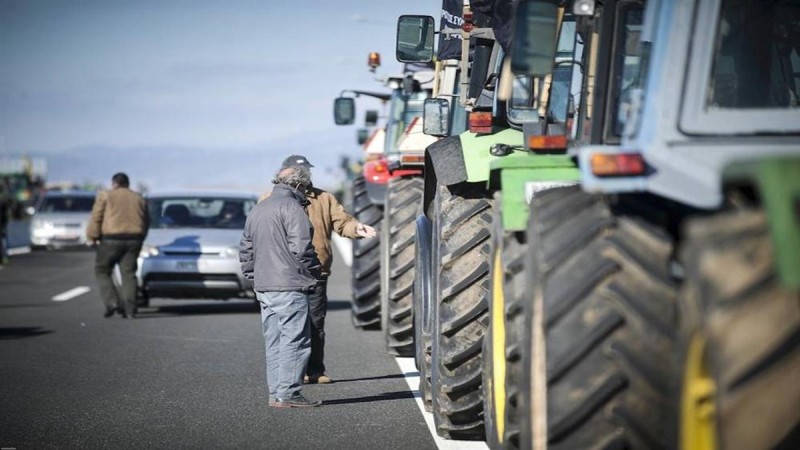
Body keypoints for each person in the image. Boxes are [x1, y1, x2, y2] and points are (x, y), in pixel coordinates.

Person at [260, 155, 376, 385]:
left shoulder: (325, 198)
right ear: (286, 173)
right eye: (300, 171)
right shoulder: (267, 199)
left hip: (316, 272)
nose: (306, 175)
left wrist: (357, 228)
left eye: (306, 171)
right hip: (283, 274)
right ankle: (290, 374)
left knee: (315, 324)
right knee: (285, 326)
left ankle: (315, 370)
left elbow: (342, 222)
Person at [241, 165, 323, 408]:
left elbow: (246, 249)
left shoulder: (259, 208)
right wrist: (315, 271)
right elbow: (302, 249)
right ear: (299, 185)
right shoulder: (292, 207)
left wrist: (254, 277)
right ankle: (289, 394)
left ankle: (276, 393)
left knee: (274, 341)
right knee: (295, 340)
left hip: (265, 286)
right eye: (306, 188)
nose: (307, 192)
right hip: (289, 285)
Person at [86, 173, 149, 318]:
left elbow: (97, 217)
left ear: (114, 183)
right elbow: (146, 220)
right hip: (134, 239)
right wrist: (141, 236)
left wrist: (92, 236)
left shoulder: (106, 196)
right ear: (128, 184)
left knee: (102, 270)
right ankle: (130, 308)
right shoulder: (139, 197)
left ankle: (112, 302)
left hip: (111, 239)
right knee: (129, 273)